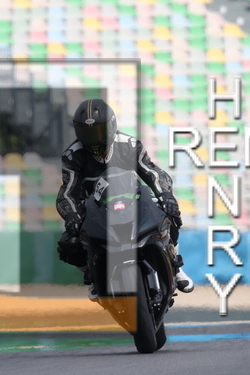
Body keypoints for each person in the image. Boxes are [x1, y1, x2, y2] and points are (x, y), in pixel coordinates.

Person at [56, 98, 194, 300]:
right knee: (69, 243)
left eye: (99, 131)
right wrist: (71, 216)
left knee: (170, 212)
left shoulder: (129, 144)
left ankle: (175, 264)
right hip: (95, 209)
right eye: (88, 133)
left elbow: (153, 173)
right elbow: (67, 192)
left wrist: (165, 195)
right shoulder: (72, 155)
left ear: (112, 126)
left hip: (133, 201)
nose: (95, 139)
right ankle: (92, 275)